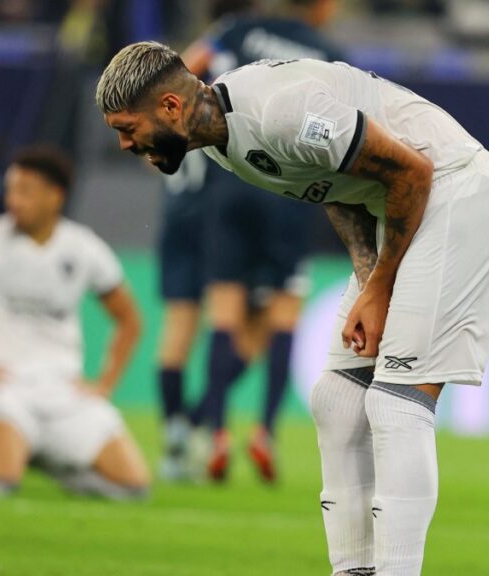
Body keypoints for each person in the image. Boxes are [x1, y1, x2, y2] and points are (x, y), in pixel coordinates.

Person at [96, 43, 489, 575]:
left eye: (127, 127)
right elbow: (336, 188)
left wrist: (380, 288)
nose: (123, 142)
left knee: (396, 403)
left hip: (458, 191)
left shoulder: (280, 113)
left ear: (172, 109)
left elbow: (410, 170)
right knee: (337, 399)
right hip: (408, 209)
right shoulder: (222, 142)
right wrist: (370, 281)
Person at [156, 0, 343, 484]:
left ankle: (214, 434)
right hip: (287, 190)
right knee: (281, 313)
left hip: (229, 184)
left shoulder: (239, 29)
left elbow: (180, 75)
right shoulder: (327, 52)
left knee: (224, 311)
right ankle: (264, 433)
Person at [0, 145, 151, 500]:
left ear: (55, 196)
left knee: (133, 489)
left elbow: (129, 319)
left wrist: (105, 383)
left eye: (25, 191)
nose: (13, 201)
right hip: (7, 389)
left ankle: (52, 460)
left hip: (65, 392)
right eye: (11, 190)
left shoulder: (83, 248)